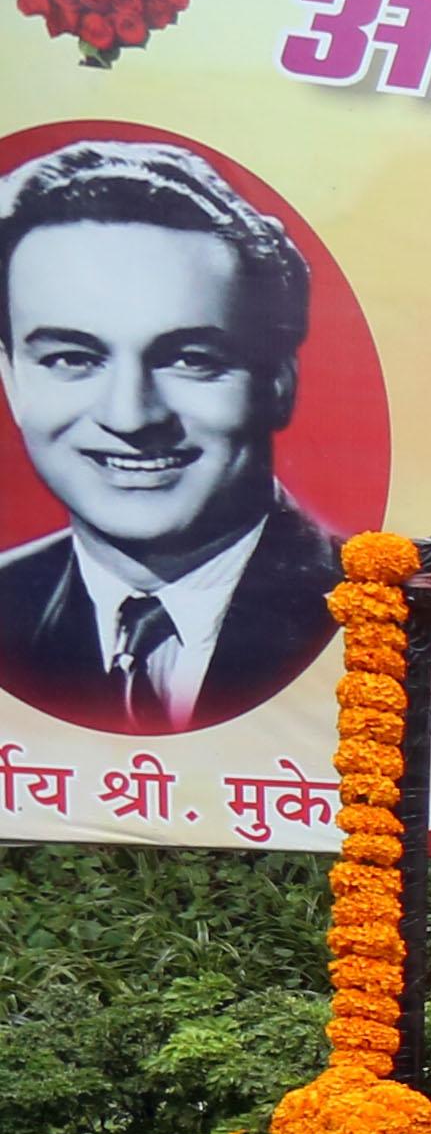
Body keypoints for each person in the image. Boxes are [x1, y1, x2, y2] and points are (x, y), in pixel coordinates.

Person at [0, 139, 342, 736]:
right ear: (12, 382)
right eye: (72, 358)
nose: (131, 418)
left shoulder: (382, 611)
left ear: (279, 384)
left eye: (190, 359)